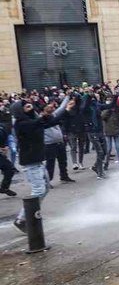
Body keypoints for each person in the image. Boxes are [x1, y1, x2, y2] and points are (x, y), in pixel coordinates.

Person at [12, 96, 76, 234]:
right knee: (38, 190)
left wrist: (66, 110)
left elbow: (51, 122)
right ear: (20, 111)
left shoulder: (31, 121)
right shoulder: (21, 123)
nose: (30, 107)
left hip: (38, 161)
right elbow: (40, 122)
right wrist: (46, 114)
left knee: (45, 188)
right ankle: (22, 219)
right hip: (31, 164)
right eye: (26, 106)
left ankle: (32, 215)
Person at [43, 102, 76, 183]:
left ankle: (64, 176)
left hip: (59, 142)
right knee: (50, 163)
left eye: (52, 107)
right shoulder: (44, 119)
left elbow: (62, 107)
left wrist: (68, 97)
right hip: (49, 144)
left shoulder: (54, 115)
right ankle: (47, 181)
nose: (52, 108)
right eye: (49, 107)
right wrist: (67, 108)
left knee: (63, 161)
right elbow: (62, 110)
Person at [101, 96, 119, 169]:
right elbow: (102, 116)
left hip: (117, 130)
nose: (109, 101)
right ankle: (106, 163)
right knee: (108, 149)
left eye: (110, 100)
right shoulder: (105, 108)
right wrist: (109, 109)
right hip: (108, 131)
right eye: (108, 100)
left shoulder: (117, 109)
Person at [0, 120, 17, 196]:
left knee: (10, 169)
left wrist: (6, 146)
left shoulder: (2, 126)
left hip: (1, 154)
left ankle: (4, 188)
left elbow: (7, 136)